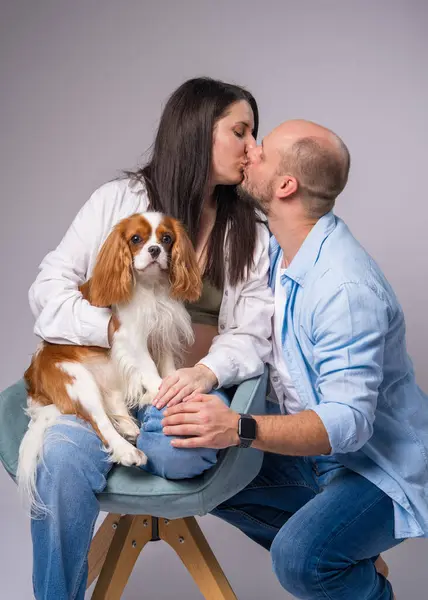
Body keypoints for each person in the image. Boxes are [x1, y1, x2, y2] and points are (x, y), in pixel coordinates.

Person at [26, 77, 274, 599]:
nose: (255, 149)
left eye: (256, 134)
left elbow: (253, 333)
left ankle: (328, 547)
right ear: (197, 134)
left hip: (184, 392)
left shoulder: (249, 228)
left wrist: (203, 373)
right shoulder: (117, 201)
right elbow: (47, 292)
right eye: (241, 132)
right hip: (103, 386)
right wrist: (113, 331)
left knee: (183, 452)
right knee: (61, 460)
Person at [162, 119, 428, 599]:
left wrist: (239, 427)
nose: (250, 152)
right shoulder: (277, 250)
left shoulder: (343, 288)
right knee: (202, 471)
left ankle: (341, 563)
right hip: (321, 458)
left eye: (261, 151)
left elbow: (348, 424)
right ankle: (346, 551)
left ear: (285, 186)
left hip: (376, 465)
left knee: (301, 559)